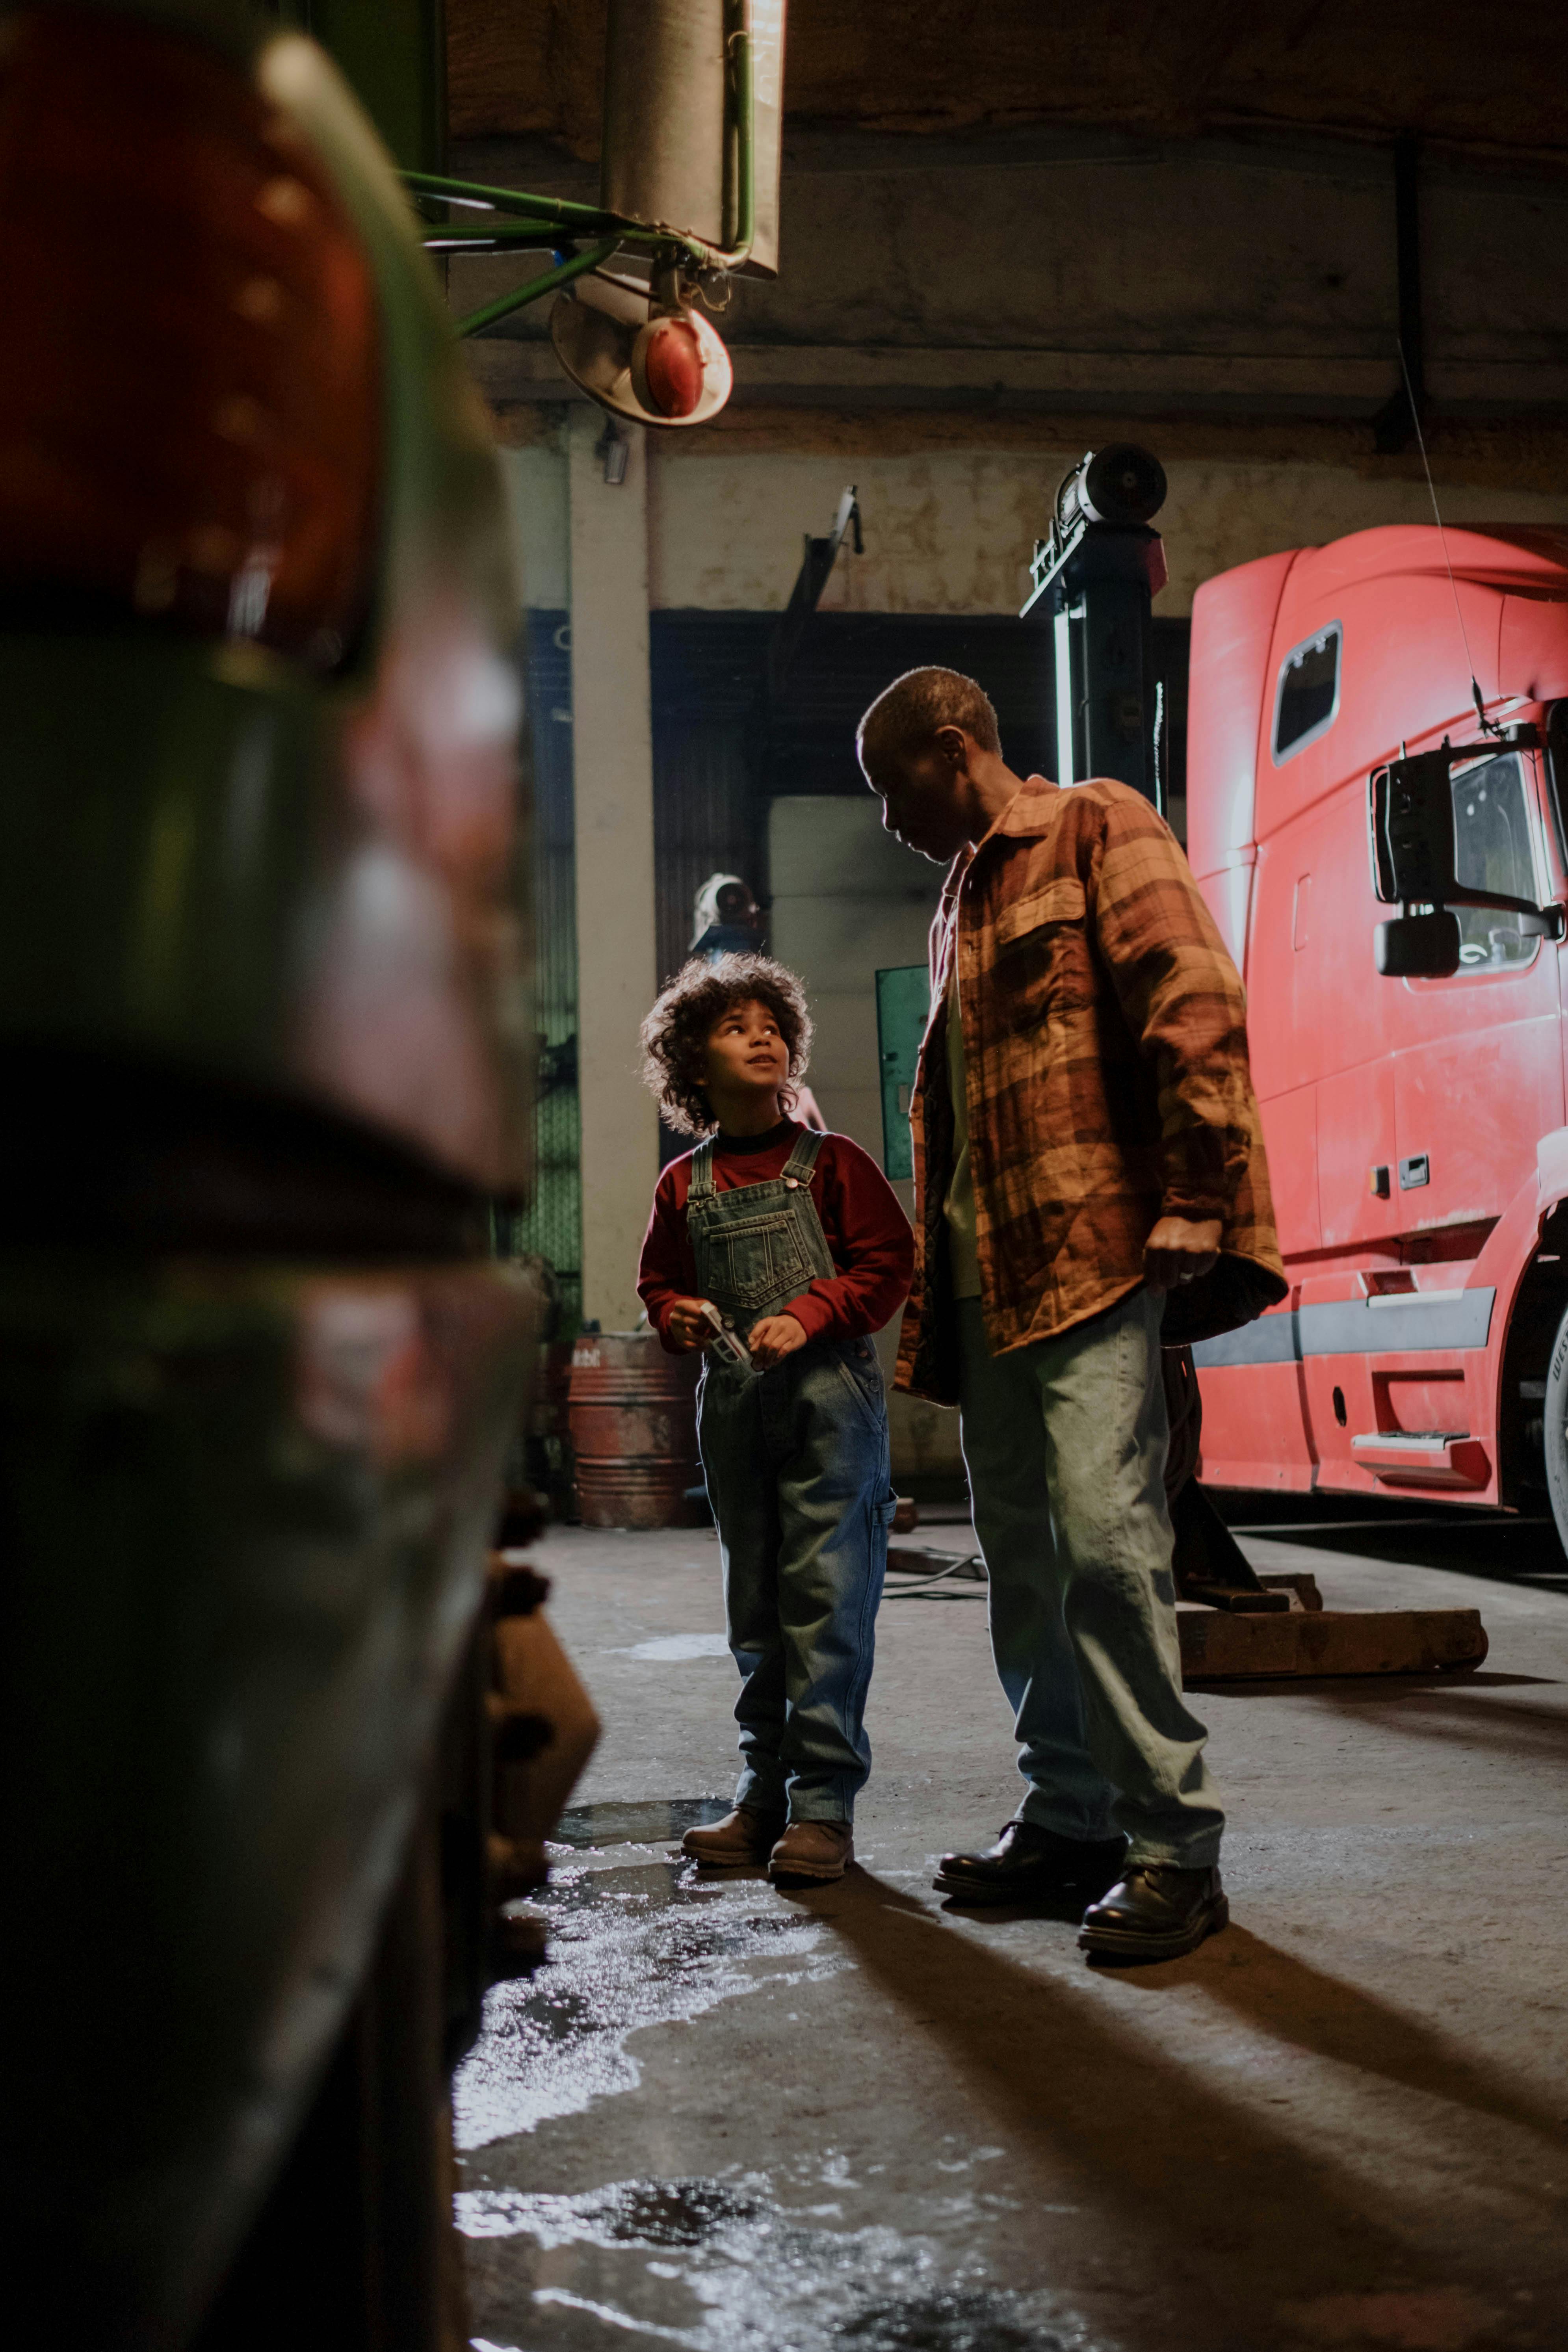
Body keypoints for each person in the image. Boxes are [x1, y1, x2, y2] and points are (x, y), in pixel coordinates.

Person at [856, 666, 1285, 1962]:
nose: (885, 823)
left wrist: (1201, 1195)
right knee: (1030, 1571)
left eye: (891, 791)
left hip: (1095, 1257)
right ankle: (1071, 1821)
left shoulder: (1098, 824)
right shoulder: (955, 899)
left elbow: (1191, 1000)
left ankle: (1173, 1847)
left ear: (951, 748)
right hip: (990, 1281)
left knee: (1107, 1551)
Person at [637, 952, 914, 1886]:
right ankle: (763, 1797)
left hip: (829, 1405)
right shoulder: (684, 1183)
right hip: (735, 1409)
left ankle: (824, 1809)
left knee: (827, 1603)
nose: (761, 1036)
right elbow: (659, 1281)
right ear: (692, 1067)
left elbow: (886, 1263)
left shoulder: (833, 1165)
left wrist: (812, 1311)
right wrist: (673, 1314)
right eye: (733, 1027)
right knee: (755, 1609)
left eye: (772, 1025)